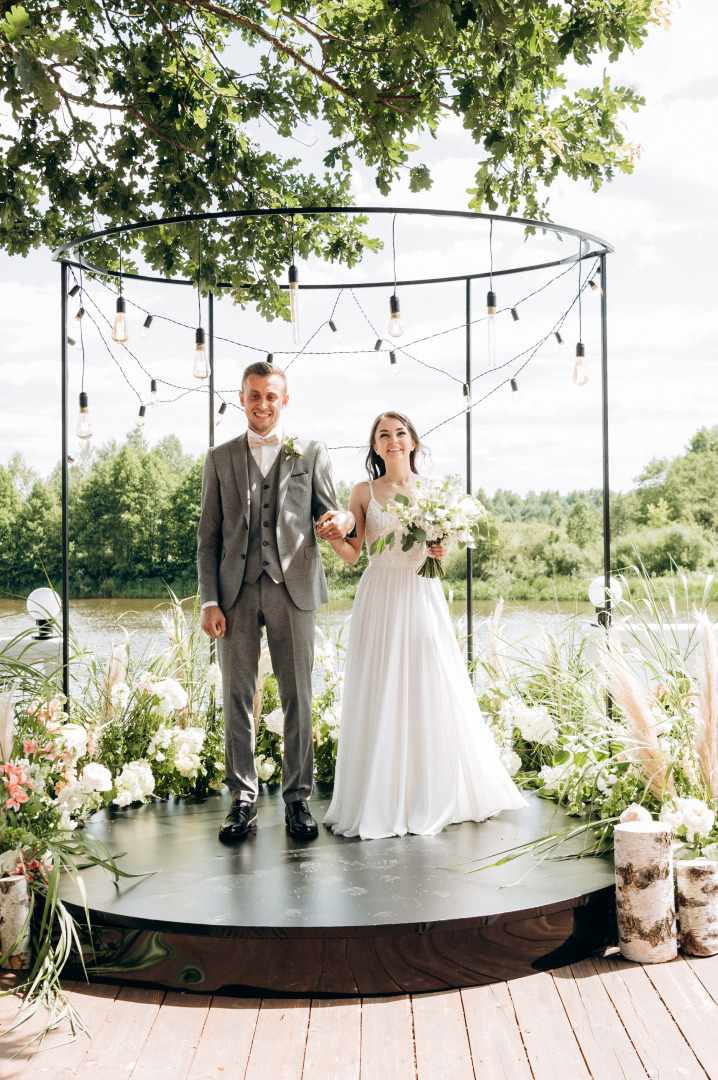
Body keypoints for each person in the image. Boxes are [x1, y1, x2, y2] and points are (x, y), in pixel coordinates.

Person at [323, 412, 527, 839]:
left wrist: (439, 547)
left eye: (400, 433)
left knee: (428, 683)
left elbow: (442, 552)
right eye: (383, 435)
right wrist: (333, 539)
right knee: (381, 687)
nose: (393, 440)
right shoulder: (364, 491)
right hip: (378, 593)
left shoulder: (434, 492)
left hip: (421, 593)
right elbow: (353, 554)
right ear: (375, 447)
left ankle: (432, 791)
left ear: (413, 442)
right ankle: (381, 795)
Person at [197, 361, 355, 842]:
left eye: (271, 396)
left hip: (295, 589)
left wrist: (344, 520)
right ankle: (242, 801)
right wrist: (208, 600)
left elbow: (332, 512)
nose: (262, 404)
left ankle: (297, 800)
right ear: (241, 398)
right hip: (235, 592)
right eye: (253, 395)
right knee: (236, 698)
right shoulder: (219, 457)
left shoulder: (311, 452)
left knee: (298, 697)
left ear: (284, 401)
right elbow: (207, 538)